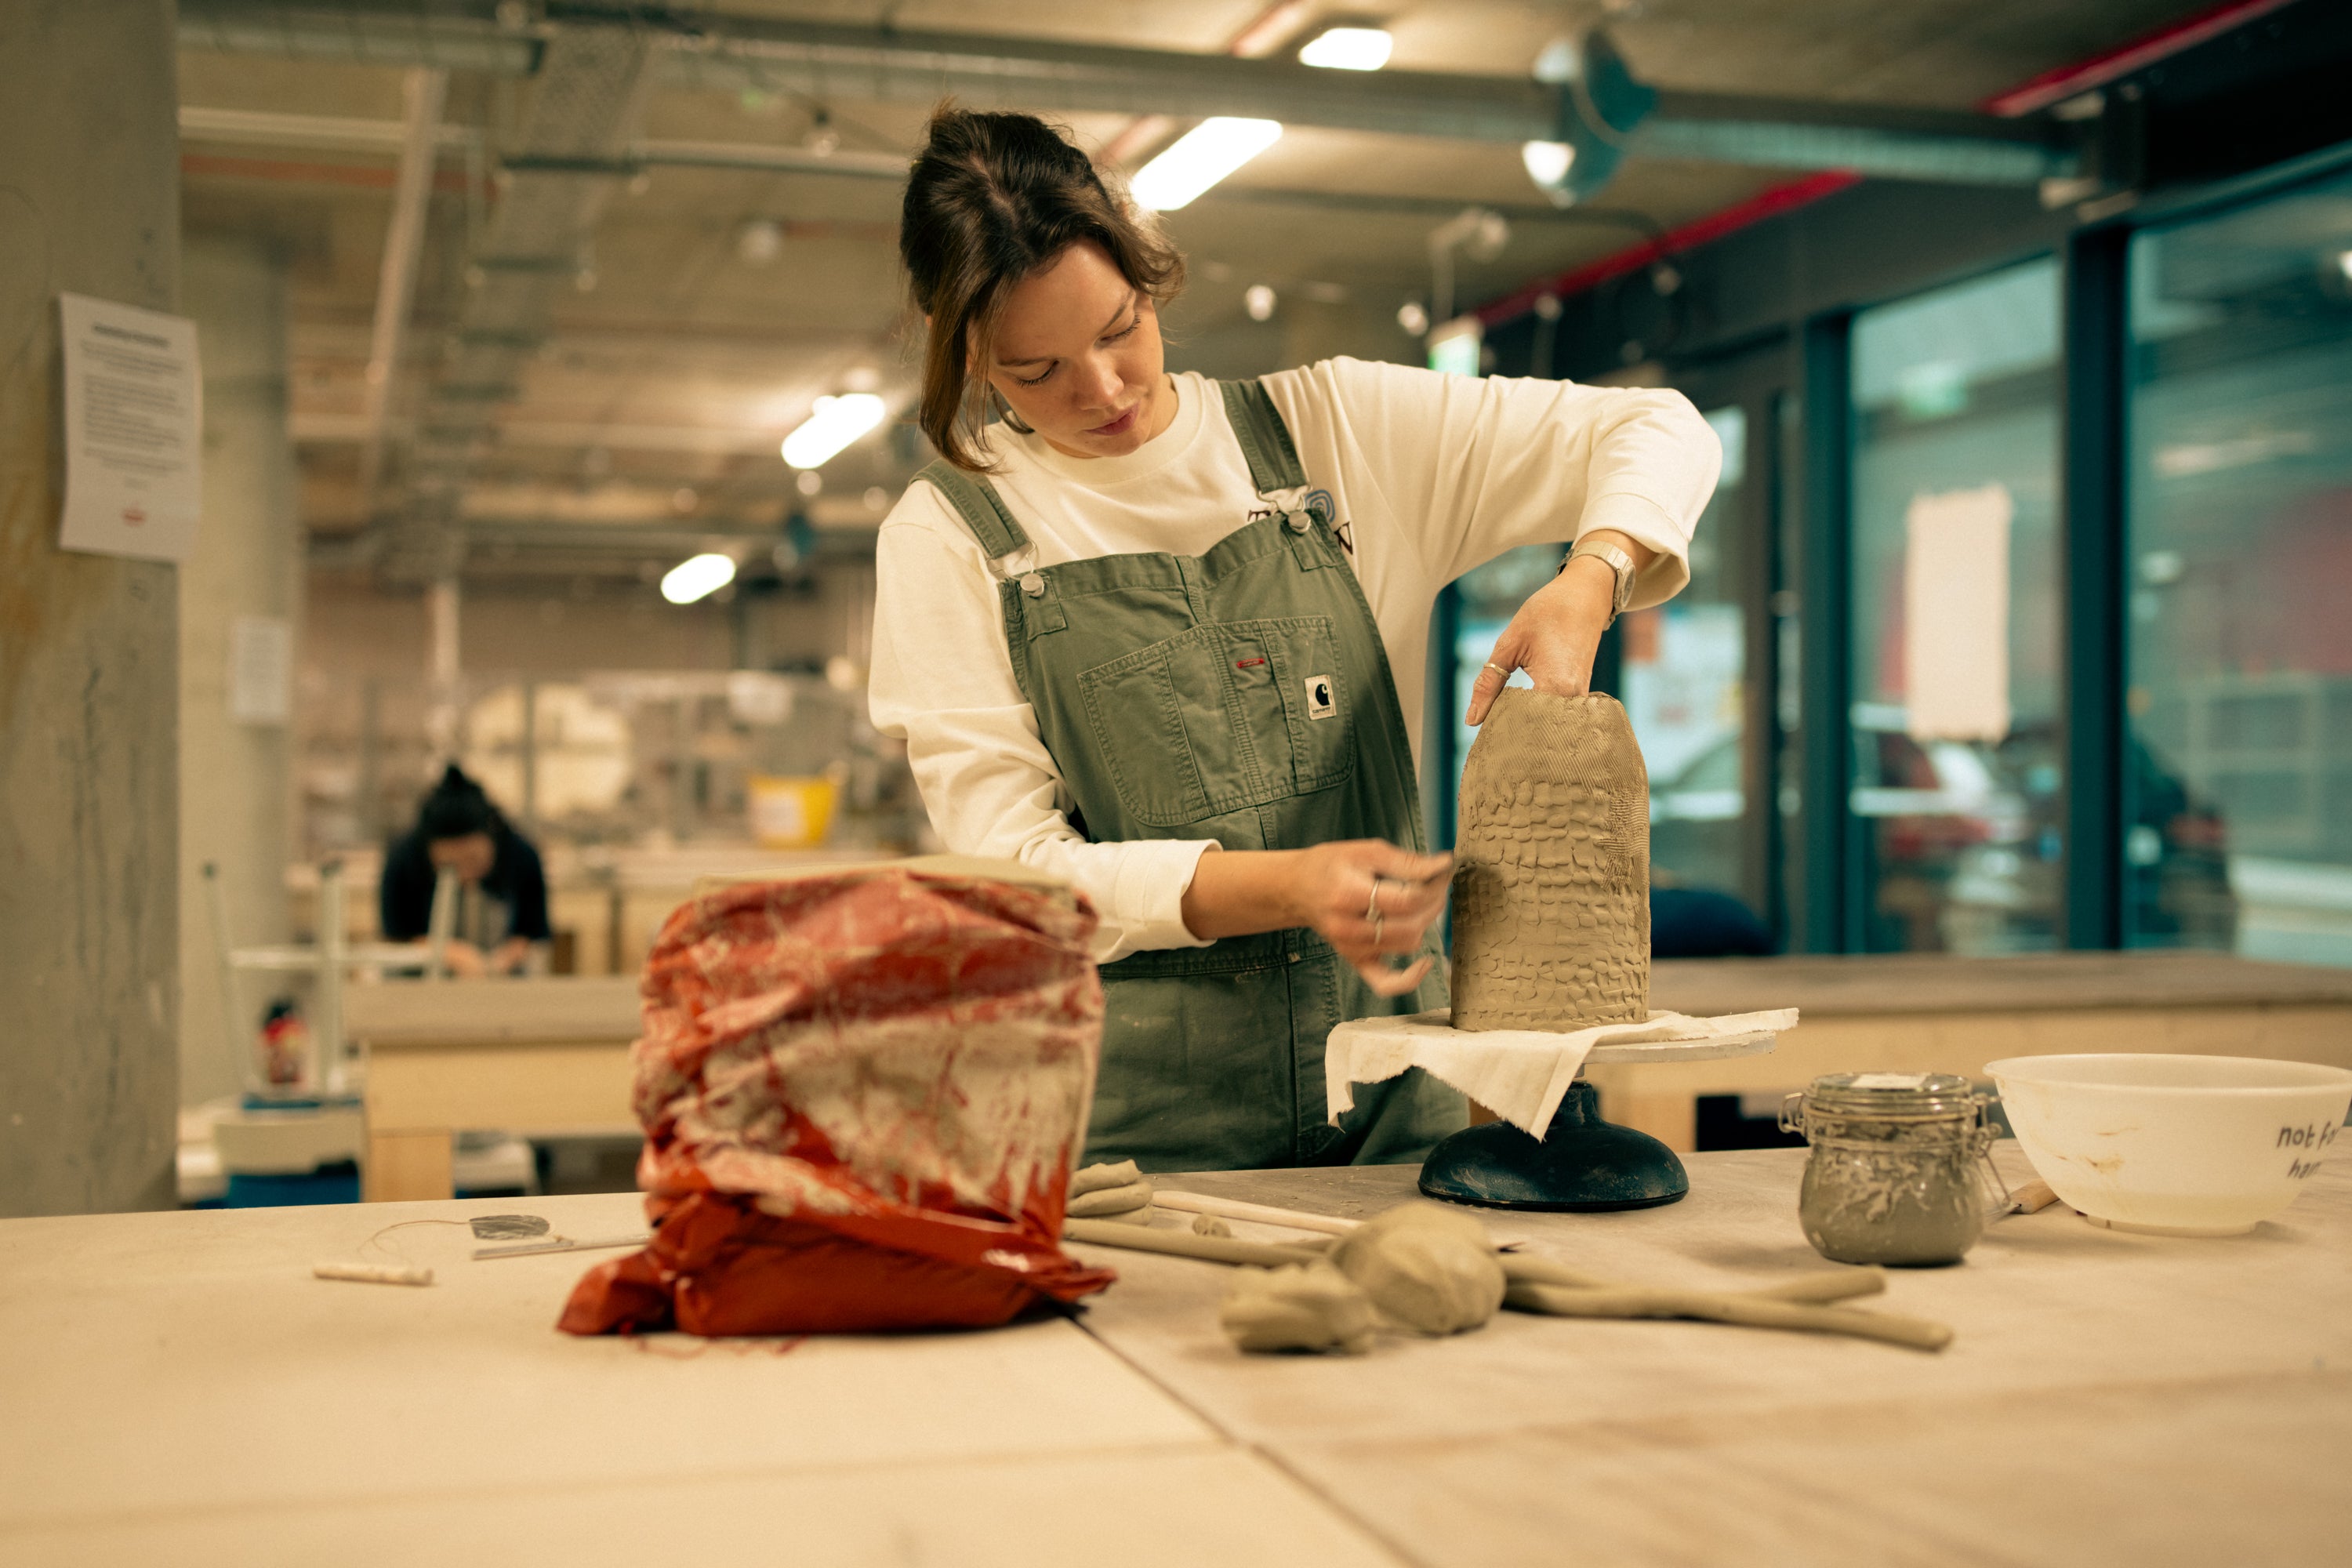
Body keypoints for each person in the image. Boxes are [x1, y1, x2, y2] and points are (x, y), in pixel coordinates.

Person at [870, 108, 1719, 1171]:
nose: (1103, 391)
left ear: (1150, 276)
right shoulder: (951, 533)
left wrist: (1593, 575)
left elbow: (1660, 427)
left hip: (1396, 1110)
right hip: (1129, 1144)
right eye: (1034, 372)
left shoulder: (1336, 431)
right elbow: (1015, 873)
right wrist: (1286, 887)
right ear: (968, 360)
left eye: (1118, 328)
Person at [379, 764, 550, 978]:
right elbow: (398, 935)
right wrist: (452, 954)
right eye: (450, 866)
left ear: (492, 840)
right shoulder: (403, 860)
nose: (465, 874)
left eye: (473, 860)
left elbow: (531, 930)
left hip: (503, 979)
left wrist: (499, 962)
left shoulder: (521, 855)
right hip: (421, 981)